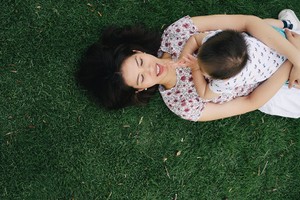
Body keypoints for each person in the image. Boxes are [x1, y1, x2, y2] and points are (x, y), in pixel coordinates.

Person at [76, 10, 300, 121]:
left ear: (138, 51)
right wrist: (288, 65)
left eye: (140, 62)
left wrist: (295, 56)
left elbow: (246, 23)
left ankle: (289, 26)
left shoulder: (175, 35)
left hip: (258, 45)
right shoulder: (181, 105)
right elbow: (251, 102)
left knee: (270, 30)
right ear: (140, 89)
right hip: (271, 88)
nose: (151, 69)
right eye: (141, 78)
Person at [177, 24, 290, 100]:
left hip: (280, 68)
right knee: (264, 27)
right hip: (279, 37)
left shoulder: (227, 82)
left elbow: (205, 94)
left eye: (202, 70)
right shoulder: (214, 42)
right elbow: (195, 39)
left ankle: (285, 23)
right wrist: (183, 56)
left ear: (222, 79)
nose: (197, 58)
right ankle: (286, 24)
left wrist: (195, 69)